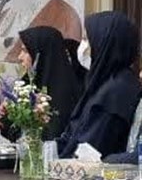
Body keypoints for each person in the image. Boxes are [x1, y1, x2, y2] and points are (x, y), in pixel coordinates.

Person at [56, 12, 142, 159]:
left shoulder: (117, 90)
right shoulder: (103, 82)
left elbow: (91, 146)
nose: (83, 47)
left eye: (87, 39)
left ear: (104, 43)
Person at [0, 26, 82, 139]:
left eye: (25, 51)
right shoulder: (28, 83)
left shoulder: (63, 94)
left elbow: (48, 137)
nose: (20, 57)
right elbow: (12, 128)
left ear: (41, 55)